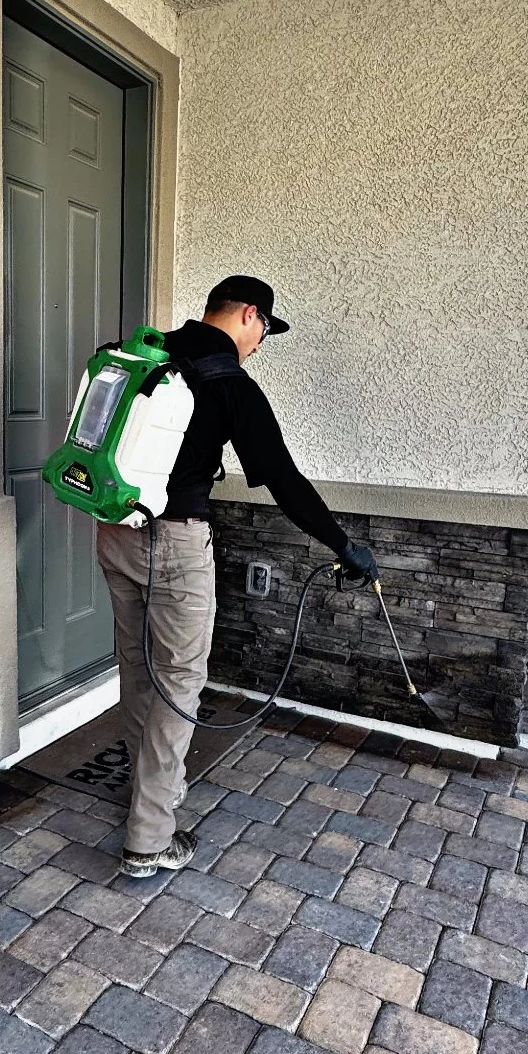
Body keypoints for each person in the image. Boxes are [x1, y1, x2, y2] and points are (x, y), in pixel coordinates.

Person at [96, 275, 376, 879]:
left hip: (114, 530)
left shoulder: (148, 353)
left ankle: (153, 790)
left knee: (139, 668)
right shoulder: (230, 383)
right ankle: (149, 839)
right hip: (174, 544)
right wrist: (344, 546)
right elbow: (285, 482)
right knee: (178, 682)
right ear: (249, 314)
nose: (259, 344)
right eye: (263, 331)